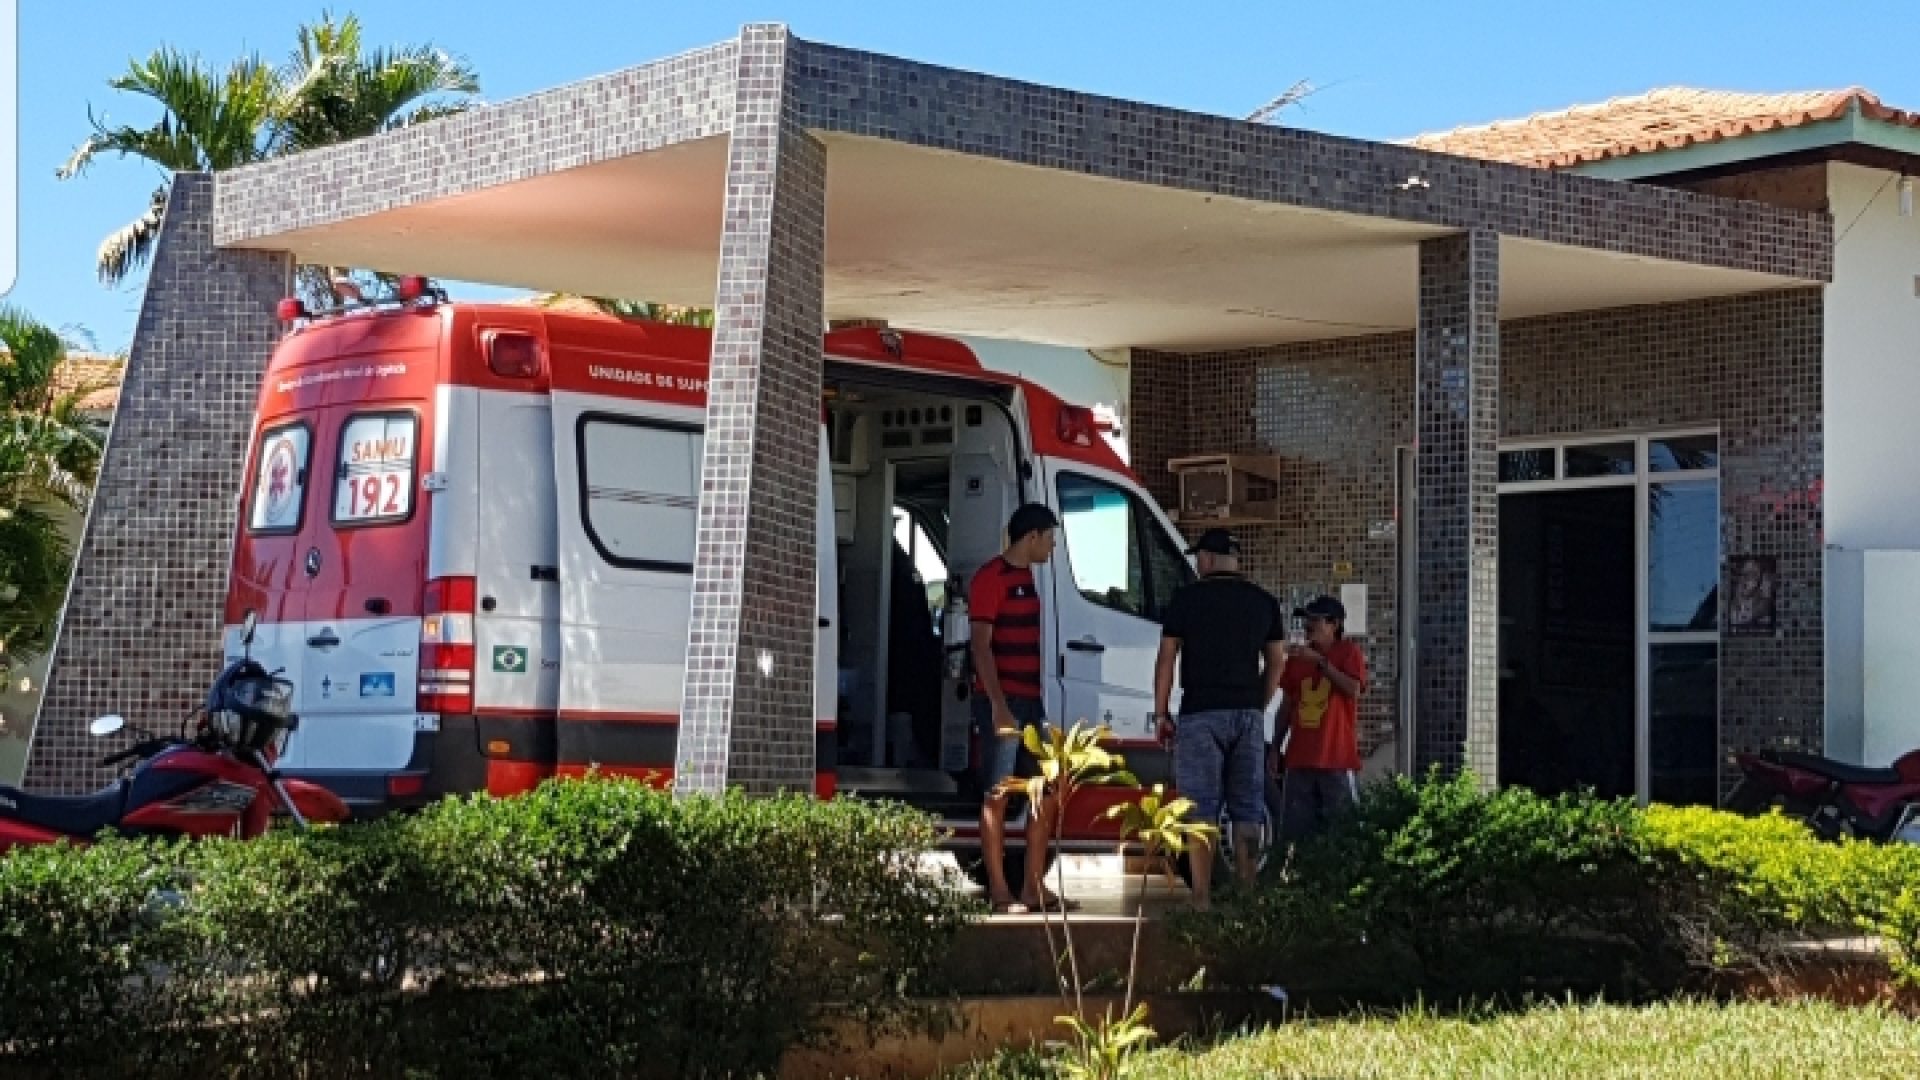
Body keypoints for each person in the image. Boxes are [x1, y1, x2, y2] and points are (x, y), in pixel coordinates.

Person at [1152, 528, 1286, 910]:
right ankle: (1245, 894)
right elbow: (1276, 661)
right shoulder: (1263, 603)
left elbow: (1166, 659)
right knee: (1247, 807)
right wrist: (1257, 703)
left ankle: (1201, 898)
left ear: (1206, 559)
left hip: (1200, 714)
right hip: (1246, 714)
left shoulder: (1186, 600)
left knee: (1201, 808)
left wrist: (1161, 713)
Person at [969, 503, 1074, 914]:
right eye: (1049, 538)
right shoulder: (991, 578)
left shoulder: (1030, 579)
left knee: (1047, 788)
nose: (1051, 546)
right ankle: (999, 892)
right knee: (997, 794)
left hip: (1031, 700)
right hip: (1003, 701)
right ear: (1031, 536)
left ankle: (1033, 886)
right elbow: (980, 644)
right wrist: (997, 706)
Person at [1273, 595, 1368, 847]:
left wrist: (1321, 664)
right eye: (1306, 620)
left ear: (1334, 624)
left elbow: (1354, 689)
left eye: (1315, 620)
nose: (1308, 626)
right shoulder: (1296, 660)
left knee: (1344, 832)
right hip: (1299, 760)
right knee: (1295, 834)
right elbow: (1286, 707)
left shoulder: (1348, 652)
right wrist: (1274, 748)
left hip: (1336, 758)